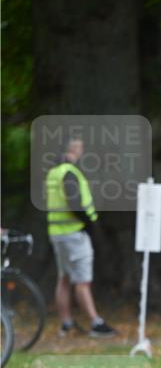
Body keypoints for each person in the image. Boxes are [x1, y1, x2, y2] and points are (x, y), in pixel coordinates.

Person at [45, 137, 117, 337]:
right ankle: (95, 322)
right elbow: (75, 203)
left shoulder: (53, 173)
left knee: (64, 278)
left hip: (57, 233)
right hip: (74, 233)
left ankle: (66, 323)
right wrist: (88, 224)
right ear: (75, 149)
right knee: (82, 280)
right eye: (81, 147)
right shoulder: (69, 172)